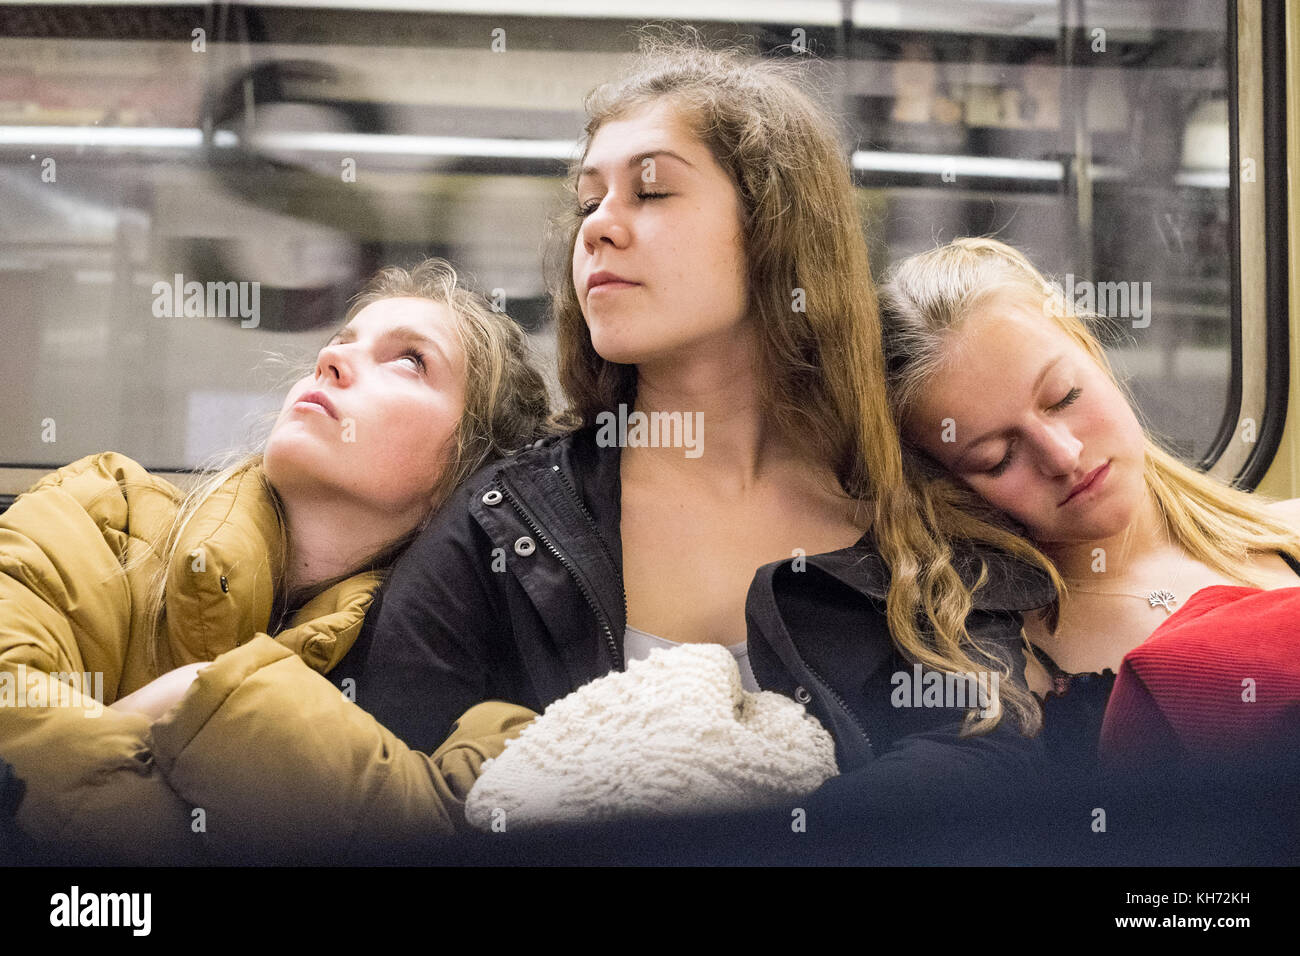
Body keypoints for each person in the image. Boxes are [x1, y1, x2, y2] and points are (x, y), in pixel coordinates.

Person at [334, 37, 1059, 835]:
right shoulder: (512, 523)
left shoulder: (914, 522)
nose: (600, 229)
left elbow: (979, 758)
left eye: (650, 192)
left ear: (774, 231)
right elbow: (386, 784)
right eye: (588, 202)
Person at [0, 259, 548, 863]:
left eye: (409, 360)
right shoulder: (102, 514)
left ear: (467, 471)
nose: (330, 361)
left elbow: (460, 842)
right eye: (341, 343)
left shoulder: (478, 682)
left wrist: (200, 697)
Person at [878, 236, 1300, 768]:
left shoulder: (1291, 531)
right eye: (997, 458)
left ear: (1092, 352)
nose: (1064, 455)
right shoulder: (1006, 676)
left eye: (1064, 397)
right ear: (947, 488)